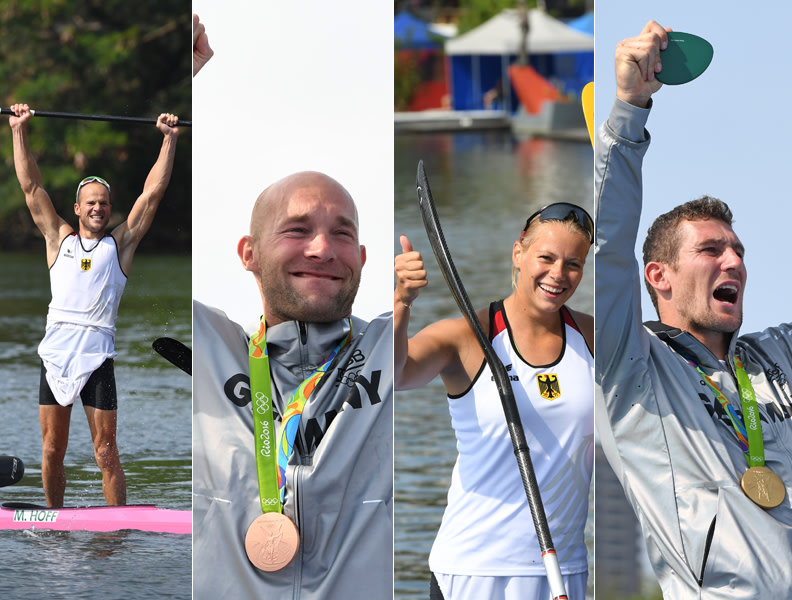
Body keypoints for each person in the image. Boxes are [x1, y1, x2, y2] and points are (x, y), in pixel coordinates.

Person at [595, 21, 792, 598]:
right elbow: (607, 247)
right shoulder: (629, 365)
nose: (733, 262)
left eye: (738, 251)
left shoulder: (775, 356)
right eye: (710, 250)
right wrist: (629, 110)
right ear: (658, 276)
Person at [192, 171, 393, 598]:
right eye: (298, 230)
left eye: (341, 234)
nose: (322, 249)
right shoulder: (206, 344)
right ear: (250, 253)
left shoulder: (395, 349)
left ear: (360, 256)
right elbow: (121, 252)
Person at [394, 204, 594, 600]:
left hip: (563, 570)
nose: (558, 274)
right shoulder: (465, 336)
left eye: (573, 263)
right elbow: (395, 375)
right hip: (474, 571)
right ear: (518, 253)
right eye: (546, 258)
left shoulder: (592, 336)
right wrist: (401, 304)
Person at [9, 103, 180, 508]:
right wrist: (19, 130)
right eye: (91, 203)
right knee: (52, 449)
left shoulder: (120, 244)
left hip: (97, 355)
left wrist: (169, 140)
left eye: (104, 203)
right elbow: (32, 188)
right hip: (56, 355)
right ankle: (54, 517)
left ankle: (116, 522)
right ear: (77, 208)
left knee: (106, 451)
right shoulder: (60, 240)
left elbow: (152, 193)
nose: (98, 208)